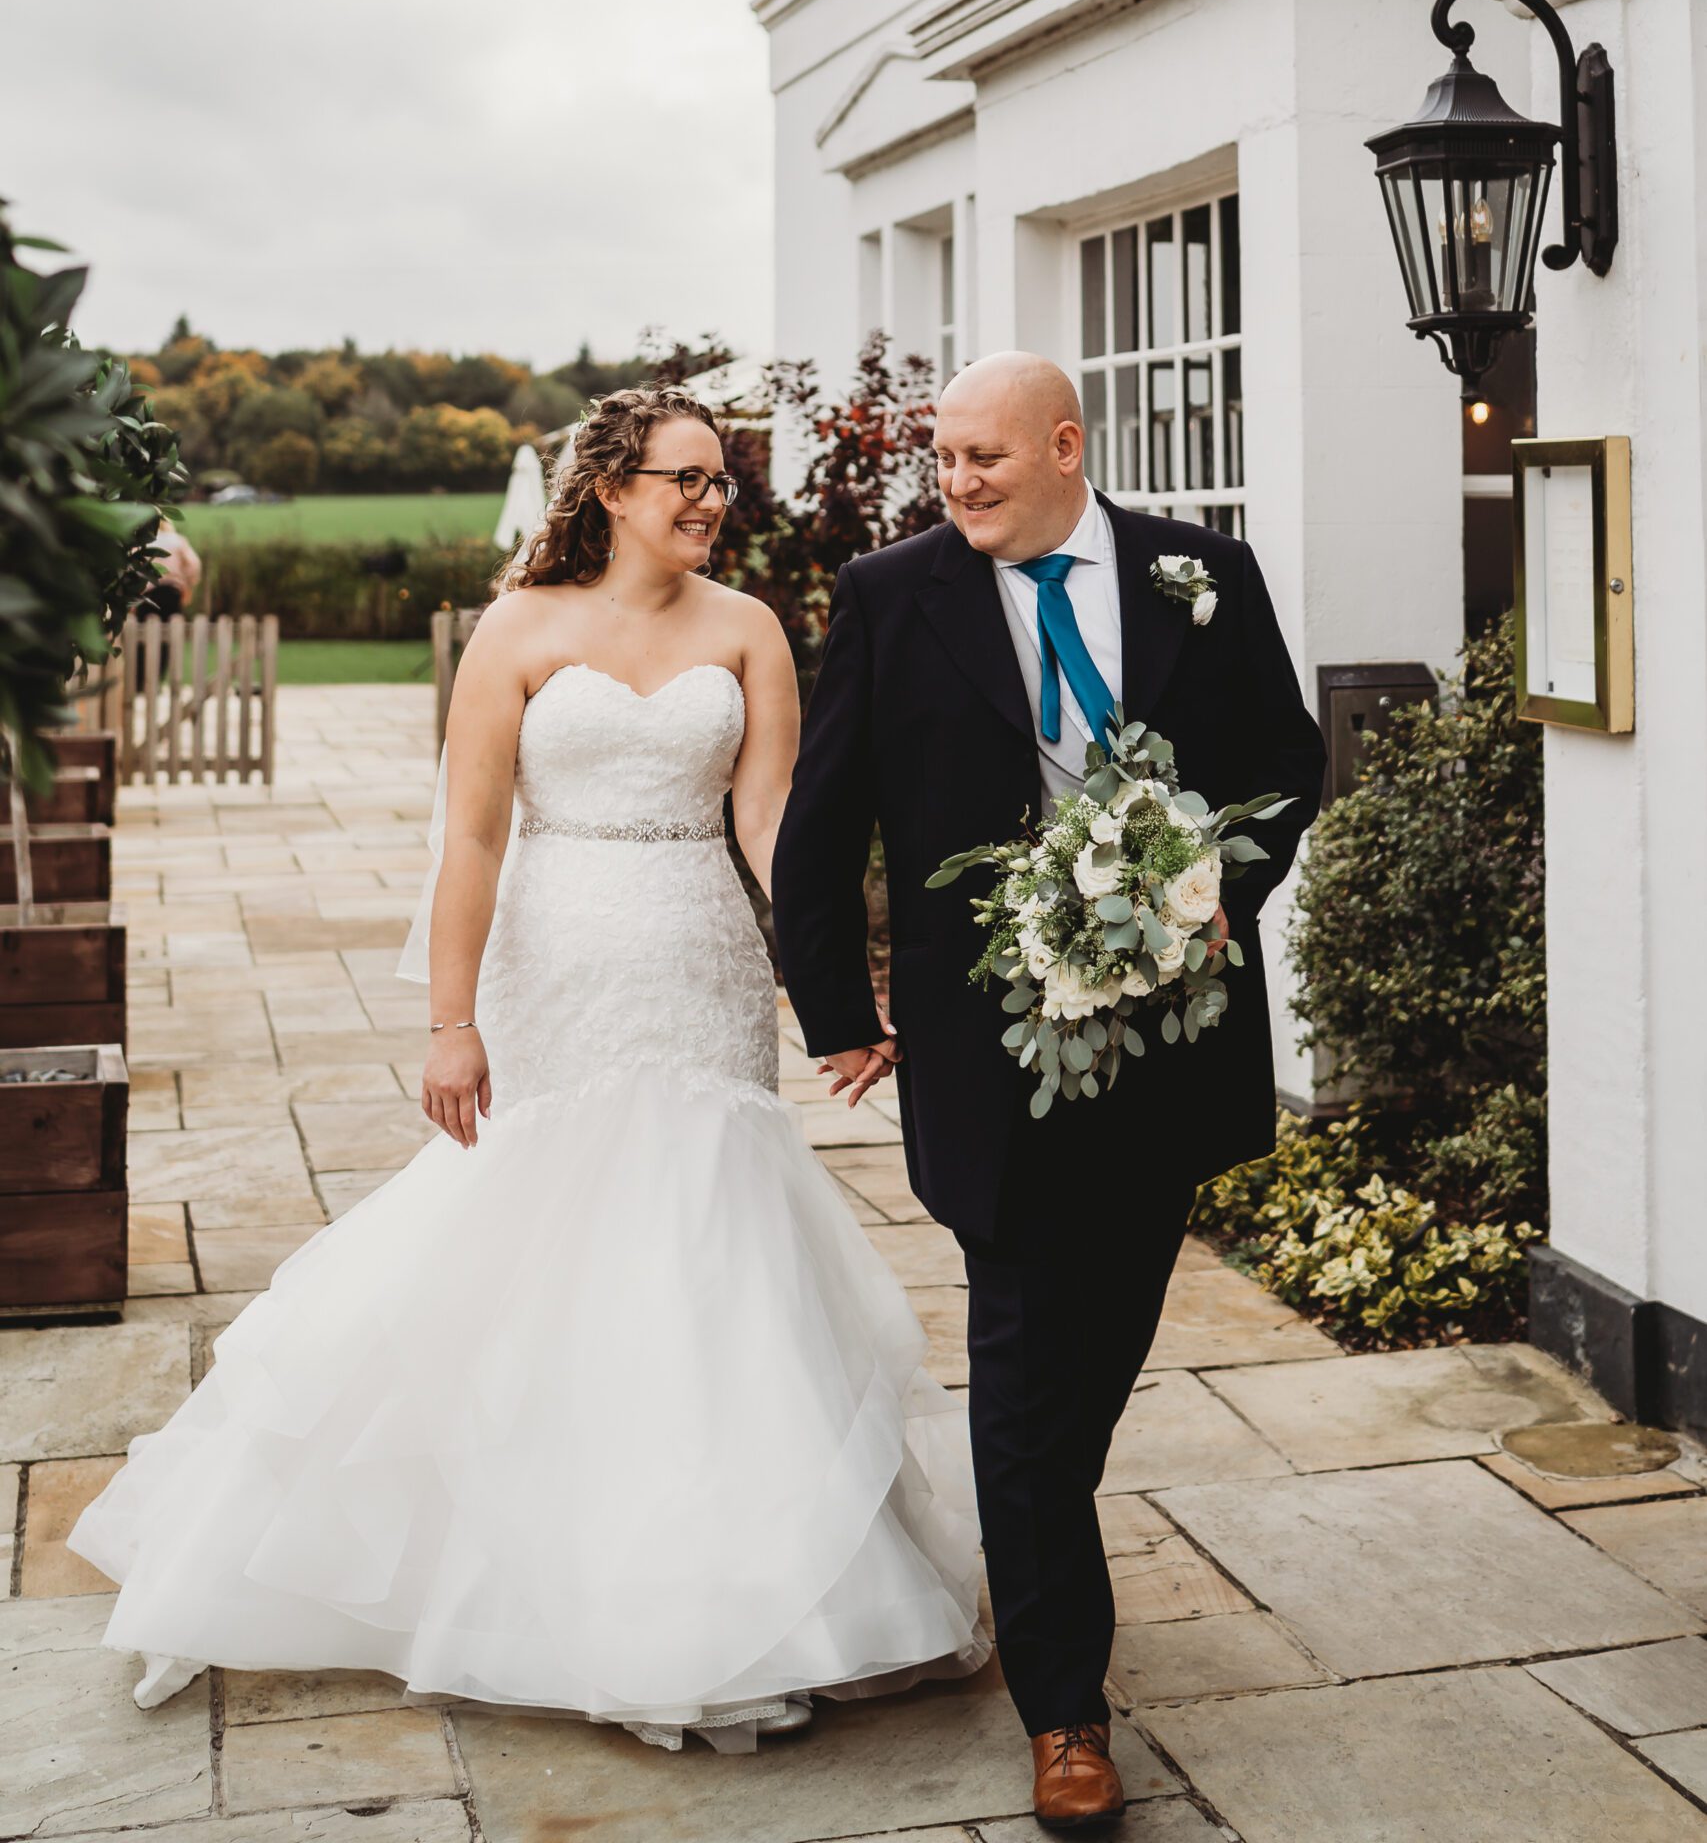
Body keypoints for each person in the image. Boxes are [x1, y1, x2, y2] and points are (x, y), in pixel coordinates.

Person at [69, 386, 987, 1751]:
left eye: (721, 482)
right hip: (557, 967)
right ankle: (518, 1563)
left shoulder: (746, 631)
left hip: (699, 968)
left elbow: (775, 823)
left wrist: (834, 993)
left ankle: (727, 1582)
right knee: (544, 1232)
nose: (706, 501)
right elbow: (476, 841)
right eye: (680, 478)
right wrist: (453, 1019)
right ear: (609, 489)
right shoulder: (519, 628)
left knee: (707, 1245)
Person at [771, 351, 1326, 1831]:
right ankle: (1066, 1712)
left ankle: (1021, 1541)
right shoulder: (893, 596)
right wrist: (837, 1006)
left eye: (983, 461)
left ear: (1068, 446)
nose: (955, 486)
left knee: (1101, 1347)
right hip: (987, 1055)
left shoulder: (1202, 575)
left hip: (1171, 1048)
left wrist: (1220, 888)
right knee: (1021, 1361)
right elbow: (823, 822)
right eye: (942, 461)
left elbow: (1287, 754)